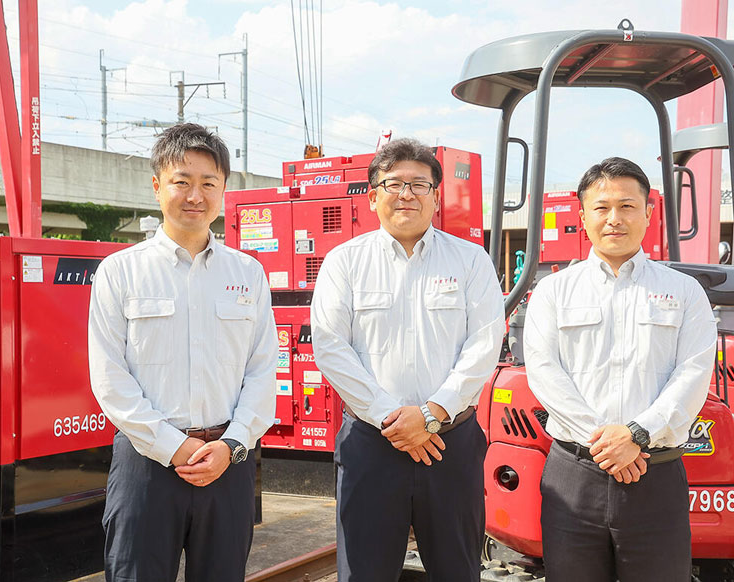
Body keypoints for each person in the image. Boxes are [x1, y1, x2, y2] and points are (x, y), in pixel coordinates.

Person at [88, 123, 277, 582]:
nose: (196, 195)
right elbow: (109, 378)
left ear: (223, 191)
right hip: (147, 466)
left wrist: (231, 445)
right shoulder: (120, 273)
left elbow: (262, 370)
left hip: (227, 465)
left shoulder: (248, 274)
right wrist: (175, 448)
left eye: (208, 183)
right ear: (157, 187)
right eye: (182, 182)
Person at [311, 138, 505, 581]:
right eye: (393, 183)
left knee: (457, 570)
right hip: (371, 447)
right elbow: (331, 346)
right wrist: (392, 419)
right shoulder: (345, 262)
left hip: (450, 445)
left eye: (420, 184)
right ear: (373, 194)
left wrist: (433, 414)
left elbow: (484, 344)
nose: (406, 194)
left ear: (437, 196)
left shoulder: (470, 261)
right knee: (365, 572)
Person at [523, 157, 716, 581]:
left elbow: (694, 372)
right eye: (602, 207)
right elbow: (543, 370)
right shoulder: (553, 291)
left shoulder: (684, 292)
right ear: (583, 216)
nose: (615, 219)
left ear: (649, 213)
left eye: (627, 206)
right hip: (573, 476)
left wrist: (637, 434)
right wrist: (608, 443)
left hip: (655, 473)